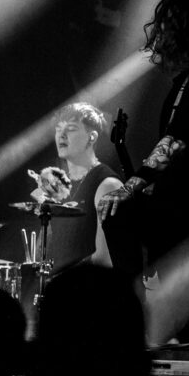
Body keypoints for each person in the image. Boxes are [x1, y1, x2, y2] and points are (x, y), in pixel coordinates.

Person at [98, 0, 189, 346]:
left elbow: (173, 142)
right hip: (184, 210)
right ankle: (151, 316)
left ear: (183, 34)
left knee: (120, 212)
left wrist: (130, 188)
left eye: (164, 29)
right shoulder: (188, 82)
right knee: (181, 305)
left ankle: (137, 315)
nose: (155, 37)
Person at [42, 102, 124, 272]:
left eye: (71, 129)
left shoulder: (108, 185)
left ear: (91, 137)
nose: (61, 135)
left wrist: (61, 280)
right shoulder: (59, 186)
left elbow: (104, 259)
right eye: (58, 129)